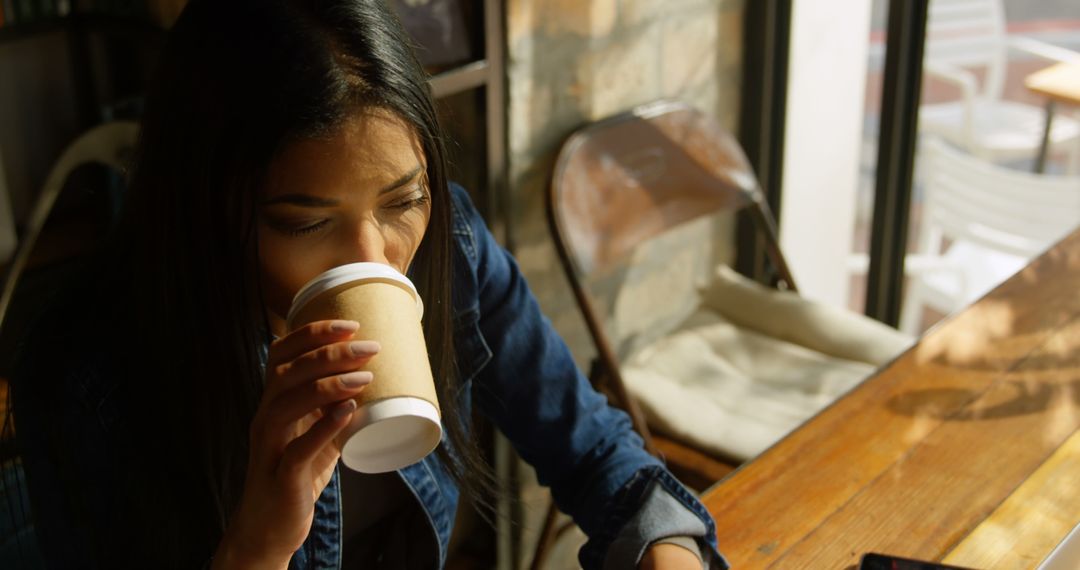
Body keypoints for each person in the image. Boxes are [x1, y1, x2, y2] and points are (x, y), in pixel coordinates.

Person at [9, 0, 727, 568]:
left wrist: (668, 551)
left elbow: (596, 451)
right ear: (207, 210)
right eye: (304, 222)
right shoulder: (86, 374)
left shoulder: (455, 245)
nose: (376, 257)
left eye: (402, 200)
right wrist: (256, 545)